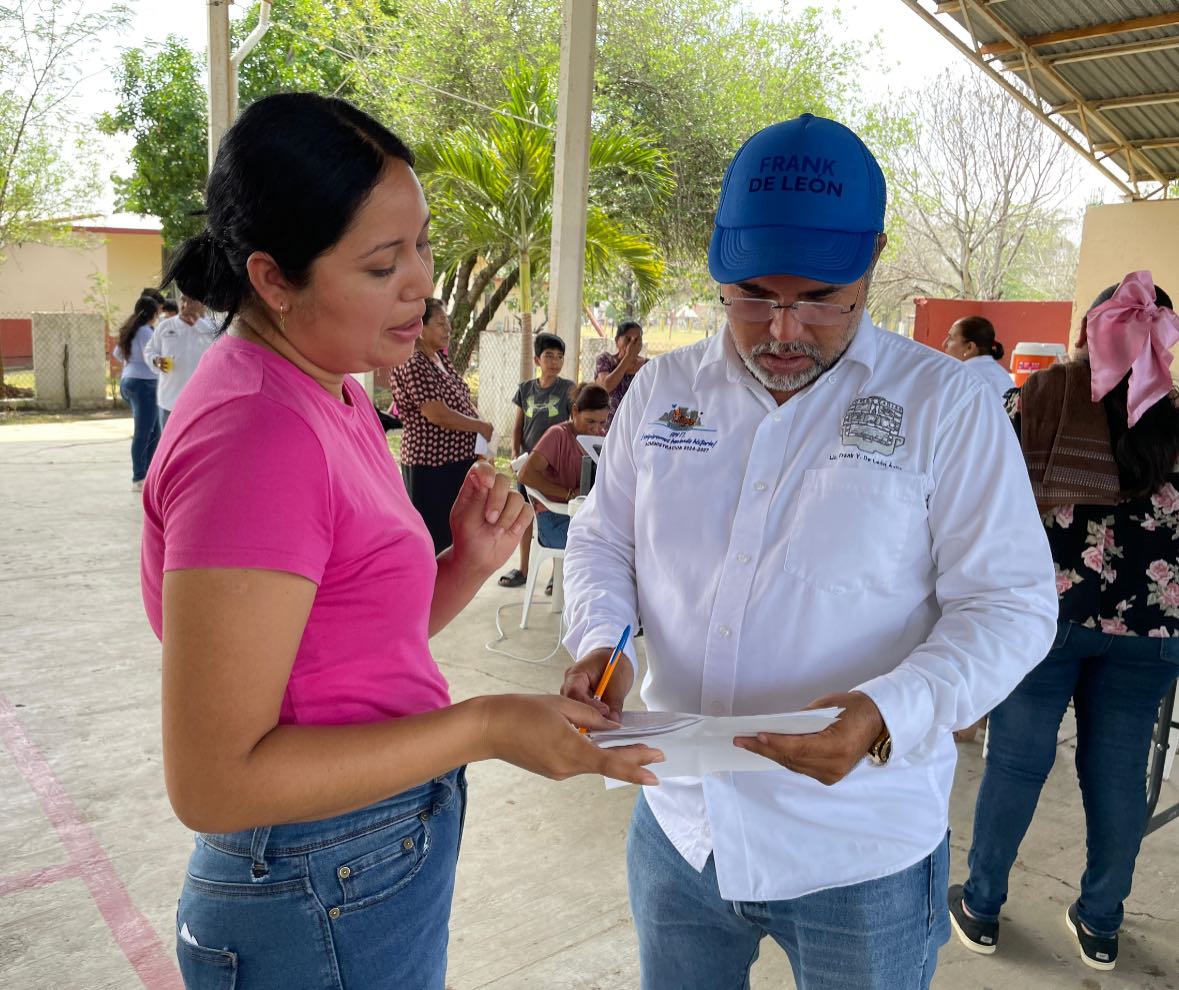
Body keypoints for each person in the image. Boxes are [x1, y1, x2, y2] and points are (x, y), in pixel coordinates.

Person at [141, 92, 661, 990]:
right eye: (384, 265)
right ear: (273, 279)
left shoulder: (333, 387)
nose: (421, 284)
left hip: (361, 853)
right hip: (311, 875)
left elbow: (346, 655)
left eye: (420, 243)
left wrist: (464, 562)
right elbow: (214, 780)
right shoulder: (256, 436)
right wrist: (487, 725)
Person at [560, 113, 1058, 990]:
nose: (782, 329)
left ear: (869, 266)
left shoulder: (944, 405)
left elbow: (1011, 604)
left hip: (855, 845)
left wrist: (888, 711)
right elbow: (606, 538)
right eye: (753, 295)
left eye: (821, 299)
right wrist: (601, 641)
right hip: (681, 823)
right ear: (717, 270)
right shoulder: (665, 392)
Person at [948, 271, 1179, 973]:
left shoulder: (1043, 398)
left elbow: (990, 495)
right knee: (1115, 773)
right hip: (1150, 631)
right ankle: (1100, 923)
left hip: (1044, 618)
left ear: (1089, 329)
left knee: (1016, 762)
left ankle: (982, 906)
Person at [389, 298, 495, 554]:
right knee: (433, 537)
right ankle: (431, 592)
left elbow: (461, 401)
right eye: (440, 323)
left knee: (452, 534)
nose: (448, 329)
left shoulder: (439, 359)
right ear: (419, 327)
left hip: (456, 464)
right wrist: (479, 427)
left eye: (448, 323)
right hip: (431, 466)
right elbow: (435, 412)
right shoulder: (413, 361)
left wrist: (481, 434)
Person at [499, 331, 574, 588]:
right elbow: (519, 425)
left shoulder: (568, 389)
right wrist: (515, 453)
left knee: (554, 515)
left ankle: (557, 574)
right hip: (527, 464)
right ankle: (523, 568)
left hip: (553, 466)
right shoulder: (525, 389)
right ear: (536, 360)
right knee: (525, 515)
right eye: (549, 356)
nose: (555, 362)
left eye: (560, 357)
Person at [516, 382, 609, 551]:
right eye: (590, 421)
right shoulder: (558, 435)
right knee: (597, 548)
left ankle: (561, 578)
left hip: (583, 516)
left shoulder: (601, 438)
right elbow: (524, 475)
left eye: (602, 423)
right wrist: (569, 494)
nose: (597, 428)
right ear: (575, 411)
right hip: (554, 516)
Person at [143, 293, 219, 430]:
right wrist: (155, 361)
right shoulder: (165, 326)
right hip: (170, 401)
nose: (184, 306)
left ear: (202, 304)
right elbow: (149, 350)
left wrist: (197, 322)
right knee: (169, 448)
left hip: (202, 403)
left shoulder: (213, 328)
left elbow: (221, 351)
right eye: (182, 301)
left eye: (190, 302)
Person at [114, 293, 162, 490]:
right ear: (152, 313)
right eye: (157, 312)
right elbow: (152, 356)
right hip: (145, 384)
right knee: (144, 431)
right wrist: (172, 366)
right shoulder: (145, 332)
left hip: (129, 381)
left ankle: (149, 472)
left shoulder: (130, 330)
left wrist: (133, 363)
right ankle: (139, 476)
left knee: (154, 431)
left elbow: (118, 354)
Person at [943, 315, 1014, 397]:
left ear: (969, 347)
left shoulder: (962, 377)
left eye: (951, 338)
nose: (944, 344)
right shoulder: (1002, 374)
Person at [595, 319, 647, 424]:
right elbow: (605, 387)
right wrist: (628, 358)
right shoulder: (605, 360)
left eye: (637, 340)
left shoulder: (647, 366)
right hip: (608, 425)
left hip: (636, 424)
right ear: (617, 340)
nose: (632, 344)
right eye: (628, 339)